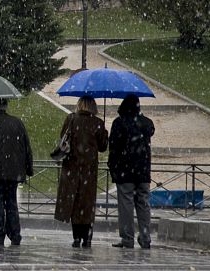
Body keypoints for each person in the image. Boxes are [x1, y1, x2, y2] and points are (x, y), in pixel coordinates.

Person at [54, 95, 108, 248]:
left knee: (74, 202)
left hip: (72, 168)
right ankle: (87, 238)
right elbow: (103, 147)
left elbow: (63, 139)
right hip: (89, 171)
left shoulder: (71, 120)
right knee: (87, 204)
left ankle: (76, 237)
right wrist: (104, 134)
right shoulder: (97, 123)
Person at [108, 94, 155, 249]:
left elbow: (114, 149)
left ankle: (127, 238)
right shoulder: (147, 124)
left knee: (126, 204)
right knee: (143, 204)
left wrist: (113, 166)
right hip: (143, 171)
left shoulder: (119, 124)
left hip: (125, 171)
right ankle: (145, 237)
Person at [0, 98, 33, 246]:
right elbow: (26, 147)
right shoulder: (17, 123)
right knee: (11, 203)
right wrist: (28, 168)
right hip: (13, 172)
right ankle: (15, 234)